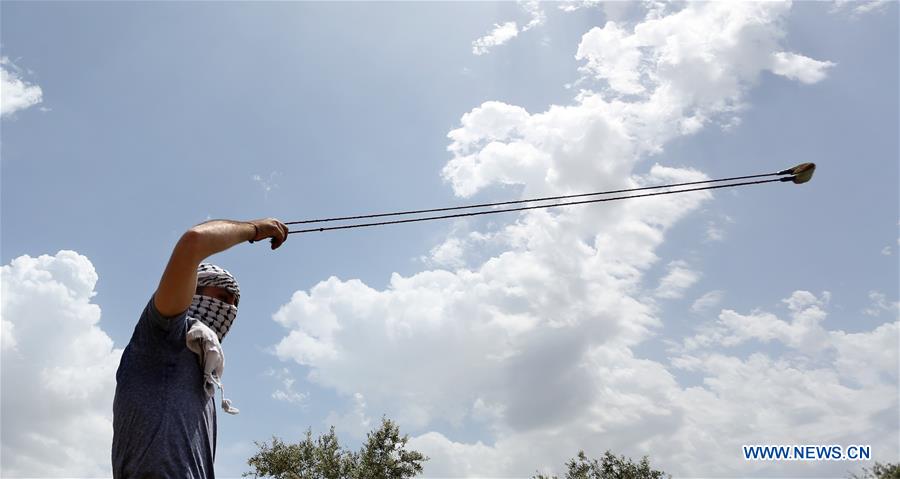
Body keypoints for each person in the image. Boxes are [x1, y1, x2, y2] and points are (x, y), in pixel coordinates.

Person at [111, 218, 288, 478]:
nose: (230, 310)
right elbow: (193, 243)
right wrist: (255, 229)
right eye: (223, 298)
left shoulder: (204, 369)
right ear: (191, 292)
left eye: (235, 304)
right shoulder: (164, 333)